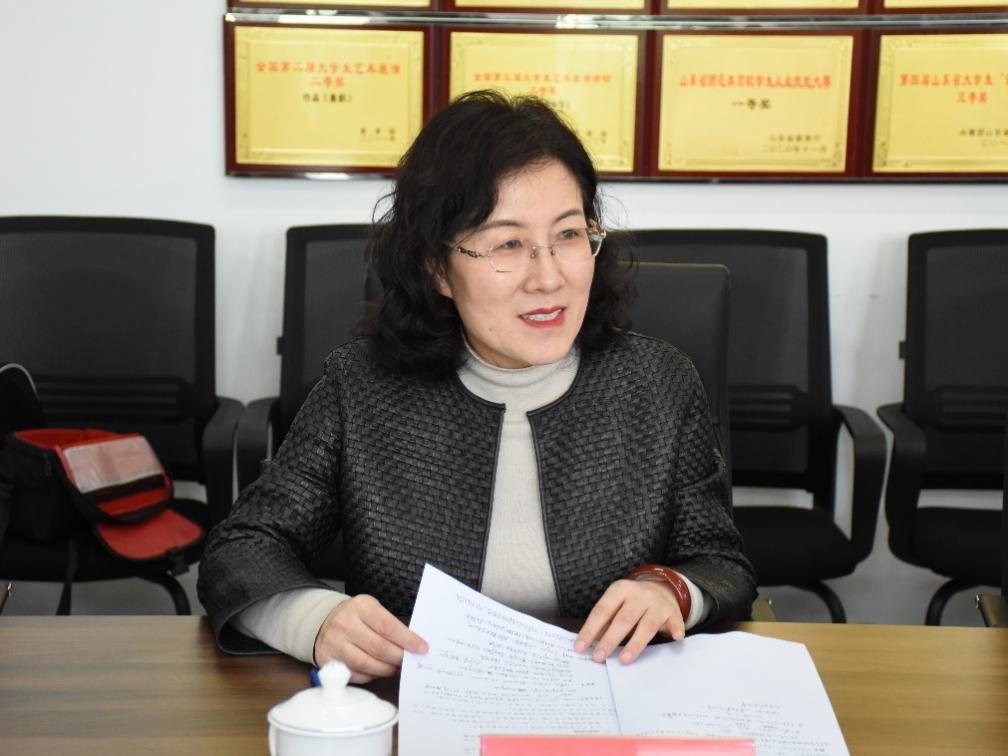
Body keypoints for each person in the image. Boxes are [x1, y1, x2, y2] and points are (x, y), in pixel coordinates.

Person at [197, 90, 756, 683]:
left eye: (569, 235)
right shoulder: (361, 388)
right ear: (438, 268)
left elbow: (719, 561)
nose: (549, 278)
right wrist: (315, 620)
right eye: (507, 243)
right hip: (412, 701)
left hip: (610, 698)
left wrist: (670, 590)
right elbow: (242, 549)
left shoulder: (658, 384)